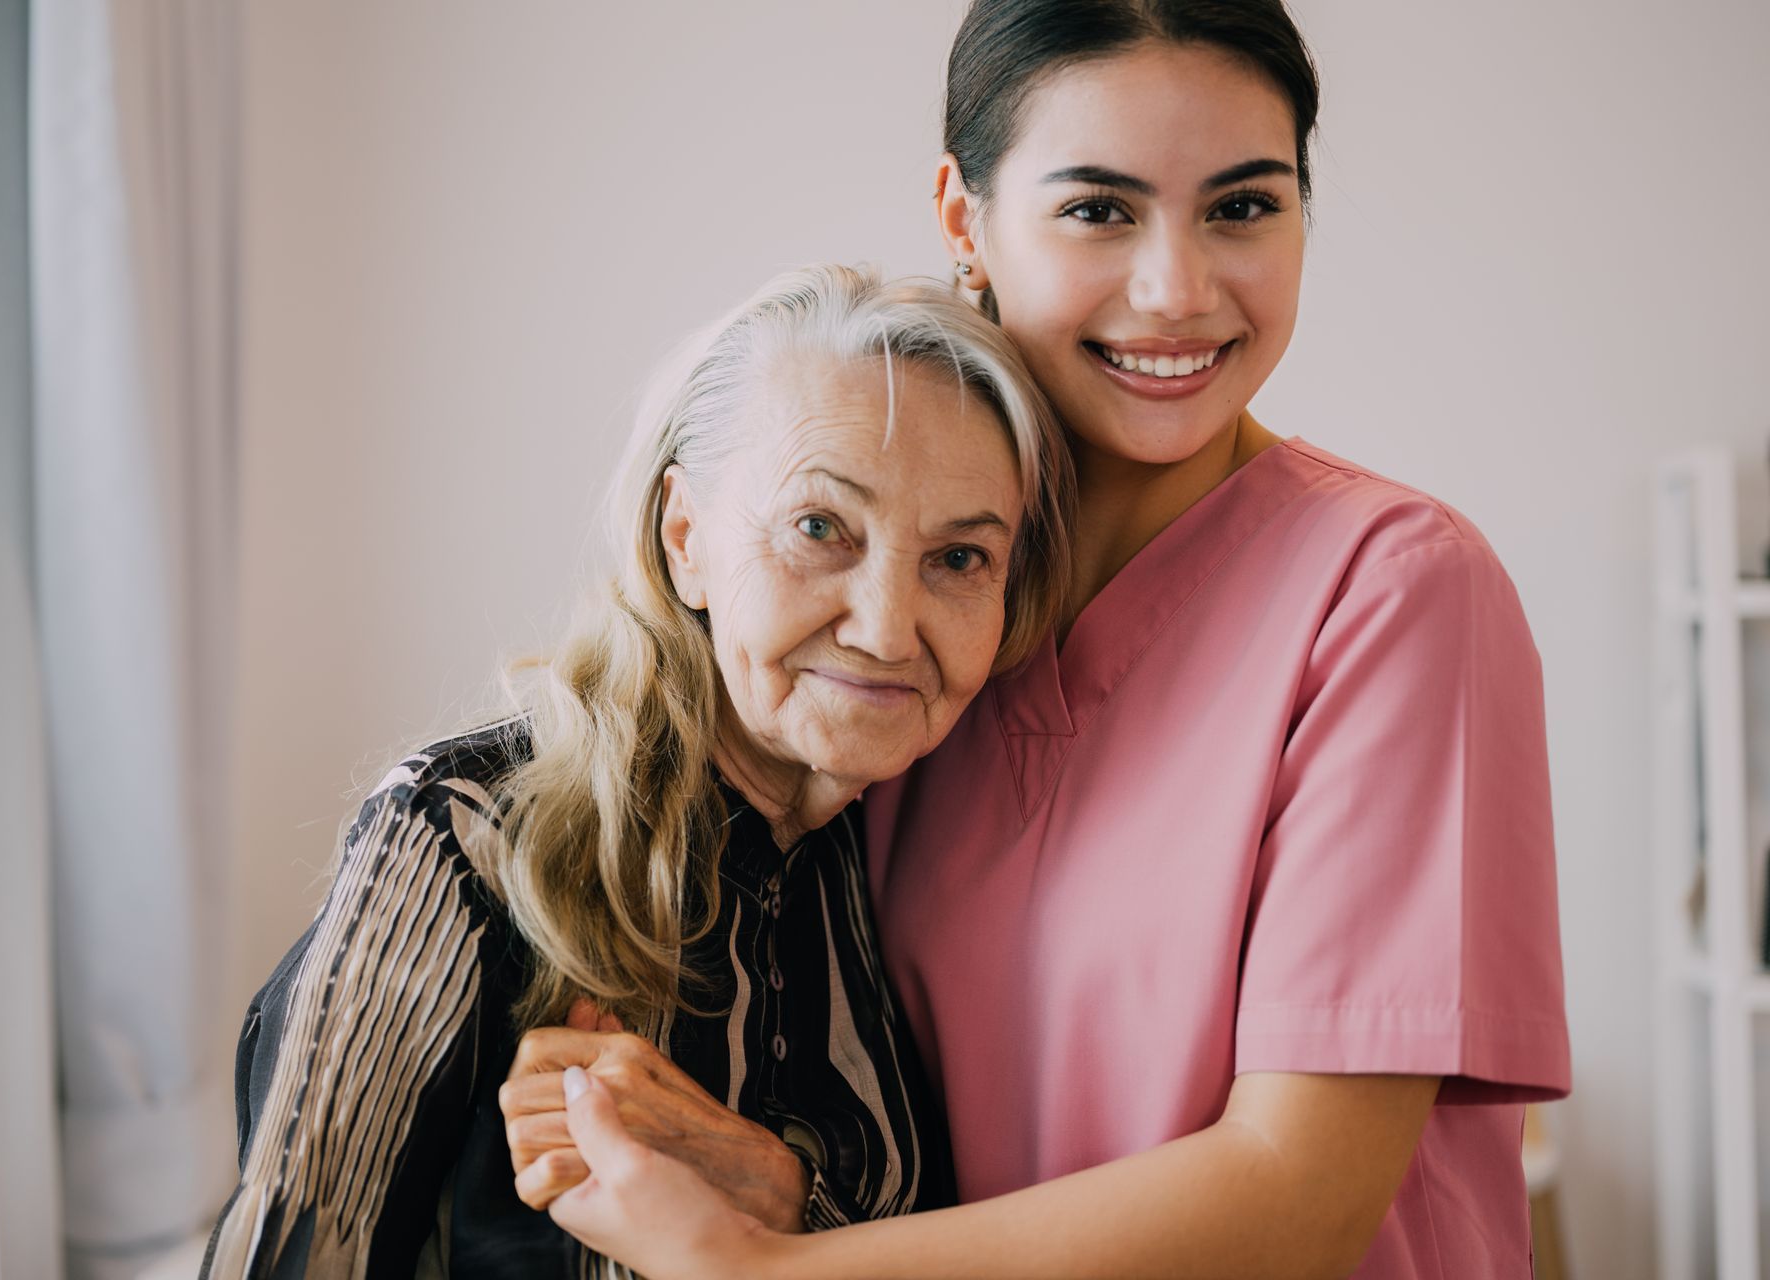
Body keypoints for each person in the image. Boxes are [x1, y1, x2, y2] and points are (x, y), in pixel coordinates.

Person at [526, 2, 1572, 1277]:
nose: (1177, 289)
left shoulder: (1396, 591)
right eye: (1099, 209)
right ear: (965, 220)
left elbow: (1297, 1196)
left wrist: (761, 1269)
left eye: (1244, 206)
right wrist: (780, 1185)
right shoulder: (904, 624)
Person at [198, 263, 1075, 1278]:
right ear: (686, 538)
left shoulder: (916, 859)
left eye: (960, 558)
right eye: (820, 527)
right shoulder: (464, 834)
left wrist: (777, 1189)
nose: (885, 626)